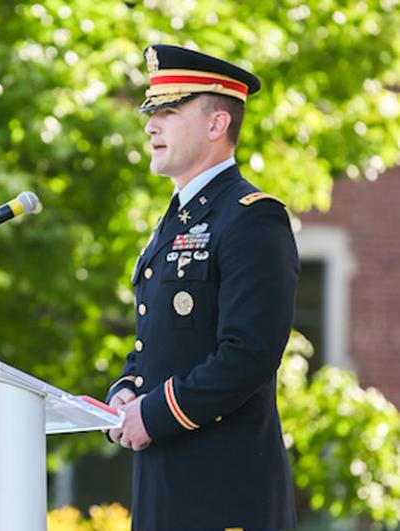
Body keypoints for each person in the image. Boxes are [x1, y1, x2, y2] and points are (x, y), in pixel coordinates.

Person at [105, 44, 299, 531]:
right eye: (152, 114)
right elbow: (160, 339)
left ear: (216, 125)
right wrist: (128, 389)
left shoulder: (252, 217)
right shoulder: (175, 222)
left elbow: (248, 354)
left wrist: (156, 413)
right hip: (162, 488)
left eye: (168, 112)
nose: (150, 126)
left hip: (225, 494)